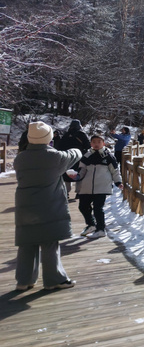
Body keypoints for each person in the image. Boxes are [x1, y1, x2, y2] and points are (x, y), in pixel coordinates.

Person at [14, 121, 82, 291]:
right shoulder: (55, 157)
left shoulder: (20, 158)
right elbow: (75, 154)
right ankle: (54, 279)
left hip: (25, 206)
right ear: (48, 138)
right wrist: (76, 146)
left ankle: (24, 280)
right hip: (48, 206)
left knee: (27, 243)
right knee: (49, 243)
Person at [72, 134, 123, 239]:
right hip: (87, 186)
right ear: (90, 144)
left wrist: (118, 182)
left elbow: (115, 171)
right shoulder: (86, 156)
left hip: (102, 187)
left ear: (103, 143)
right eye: (94, 142)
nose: (96, 144)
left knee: (98, 208)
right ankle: (91, 224)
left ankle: (100, 229)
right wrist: (77, 177)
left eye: (99, 142)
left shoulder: (108, 156)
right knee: (82, 206)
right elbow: (82, 169)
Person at [57, 119, 90, 197]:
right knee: (79, 174)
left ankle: (66, 192)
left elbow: (59, 146)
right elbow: (88, 146)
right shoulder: (82, 135)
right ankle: (78, 192)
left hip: (67, 157)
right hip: (79, 157)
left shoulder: (66, 135)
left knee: (66, 175)